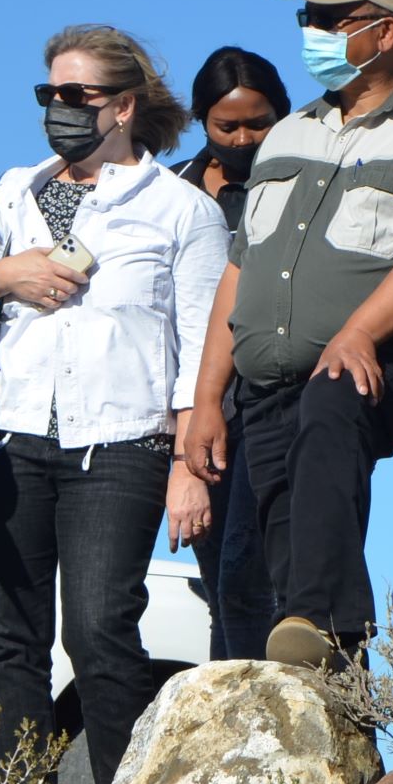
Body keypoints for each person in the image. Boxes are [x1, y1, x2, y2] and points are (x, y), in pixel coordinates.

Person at [0, 25, 228, 784]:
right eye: (48, 96)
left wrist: (186, 467)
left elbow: (201, 346)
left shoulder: (181, 210)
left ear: (123, 106)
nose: (57, 110)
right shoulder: (12, 191)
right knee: (6, 640)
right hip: (4, 436)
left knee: (99, 630)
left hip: (121, 444)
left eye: (76, 96)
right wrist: (0, 274)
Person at [185, 0, 393, 669]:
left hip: (383, 363)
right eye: (306, 17)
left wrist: (356, 333)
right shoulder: (288, 133)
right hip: (266, 386)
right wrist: (204, 399)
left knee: (331, 403)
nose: (310, 31)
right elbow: (241, 268)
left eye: (327, 19)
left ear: (383, 33)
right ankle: (331, 717)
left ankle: (323, 621)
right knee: (281, 561)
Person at [171, 47, 290, 660]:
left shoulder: (300, 183)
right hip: (198, 407)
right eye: (227, 126)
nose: (244, 138)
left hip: (275, 396)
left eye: (258, 122)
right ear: (201, 121)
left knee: (261, 574)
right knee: (223, 580)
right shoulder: (175, 191)